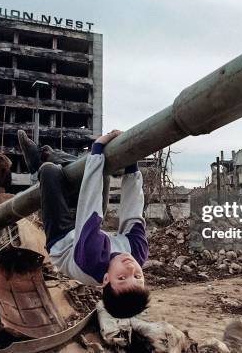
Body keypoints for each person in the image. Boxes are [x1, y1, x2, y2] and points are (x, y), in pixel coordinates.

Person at [18, 129, 150, 318]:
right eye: (138, 276)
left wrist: (97, 147)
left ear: (106, 279)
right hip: (91, 231)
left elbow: (90, 207)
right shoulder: (137, 253)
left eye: (122, 278)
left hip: (63, 239)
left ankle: (41, 162)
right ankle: (45, 155)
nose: (131, 268)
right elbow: (133, 210)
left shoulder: (91, 259)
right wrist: (131, 165)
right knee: (102, 172)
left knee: (50, 172)